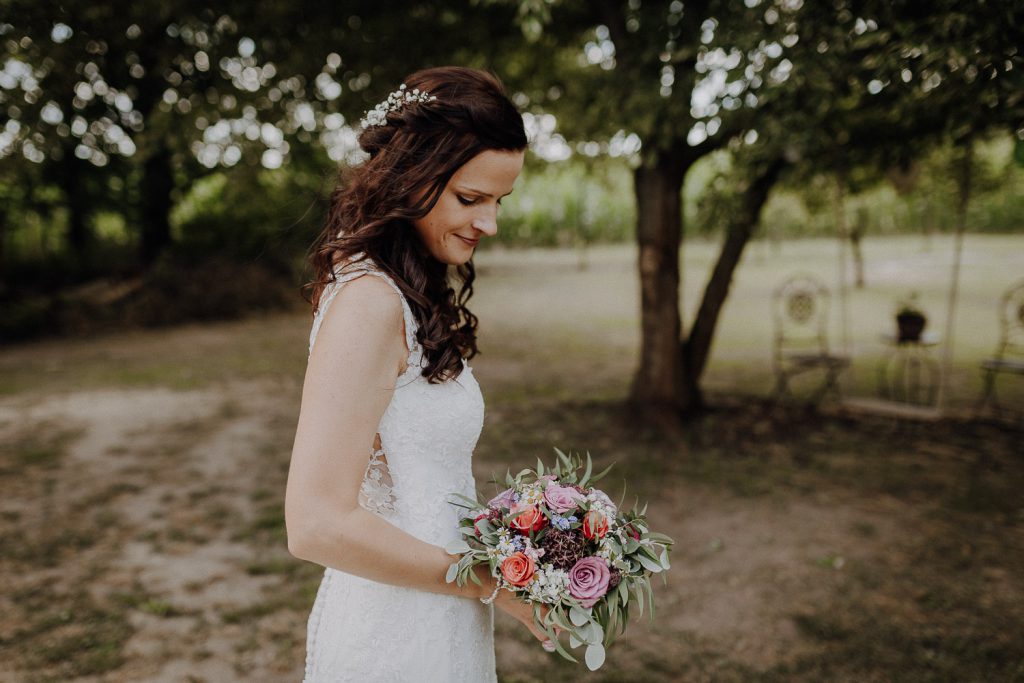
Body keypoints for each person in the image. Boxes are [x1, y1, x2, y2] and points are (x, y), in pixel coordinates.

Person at [285, 67, 545, 682]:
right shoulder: (370, 304)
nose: (490, 225)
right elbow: (314, 522)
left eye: (498, 201)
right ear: (412, 179)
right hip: (395, 628)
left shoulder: (406, 289)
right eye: (470, 198)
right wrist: (488, 582)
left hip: (440, 608)